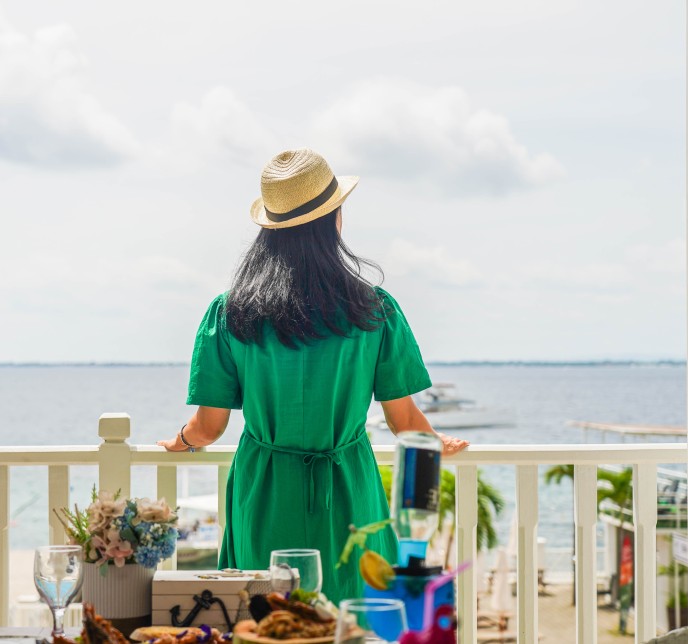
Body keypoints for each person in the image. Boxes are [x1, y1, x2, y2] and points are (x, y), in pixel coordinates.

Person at [157, 148, 469, 600]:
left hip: (264, 491)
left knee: (263, 615)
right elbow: (405, 422)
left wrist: (179, 442)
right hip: (349, 489)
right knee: (354, 613)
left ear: (269, 230)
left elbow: (209, 427)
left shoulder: (229, 313)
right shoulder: (374, 309)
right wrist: (437, 443)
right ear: (334, 221)